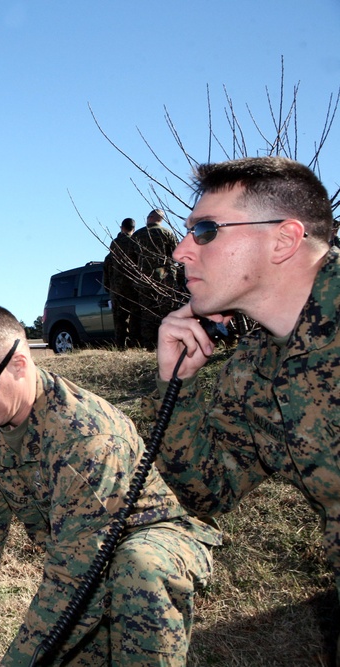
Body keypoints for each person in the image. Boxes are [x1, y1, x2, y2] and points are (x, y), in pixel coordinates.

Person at [0, 303, 220, 667]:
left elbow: (74, 576)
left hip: (155, 545)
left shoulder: (85, 437)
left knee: (138, 567)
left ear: (19, 366)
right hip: (84, 557)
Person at [151, 156, 340, 657]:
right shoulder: (253, 370)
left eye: (206, 230)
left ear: (284, 239)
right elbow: (207, 491)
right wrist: (178, 386)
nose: (180, 250)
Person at [132, 209, 182, 348]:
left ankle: (150, 344)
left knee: (147, 311)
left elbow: (131, 258)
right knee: (168, 310)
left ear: (151, 217)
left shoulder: (138, 235)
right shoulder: (167, 233)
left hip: (144, 278)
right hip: (165, 277)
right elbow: (176, 254)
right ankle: (171, 343)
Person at [103, 217, 140, 349]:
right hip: (133, 287)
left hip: (117, 288)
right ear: (133, 229)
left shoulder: (114, 244)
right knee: (134, 317)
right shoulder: (135, 243)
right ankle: (135, 345)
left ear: (121, 227)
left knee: (119, 320)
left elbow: (107, 265)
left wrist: (108, 286)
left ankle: (120, 346)